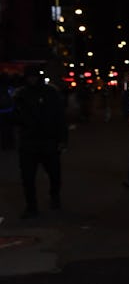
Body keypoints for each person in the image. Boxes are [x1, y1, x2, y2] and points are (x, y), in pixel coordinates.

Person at [11, 67, 68, 217]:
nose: (32, 80)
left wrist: (62, 139)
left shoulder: (50, 93)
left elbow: (59, 117)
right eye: (30, 77)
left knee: (54, 174)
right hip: (30, 141)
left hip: (47, 140)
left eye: (34, 77)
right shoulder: (21, 95)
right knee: (28, 177)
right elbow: (14, 116)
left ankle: (53, 197)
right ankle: (31, 206)